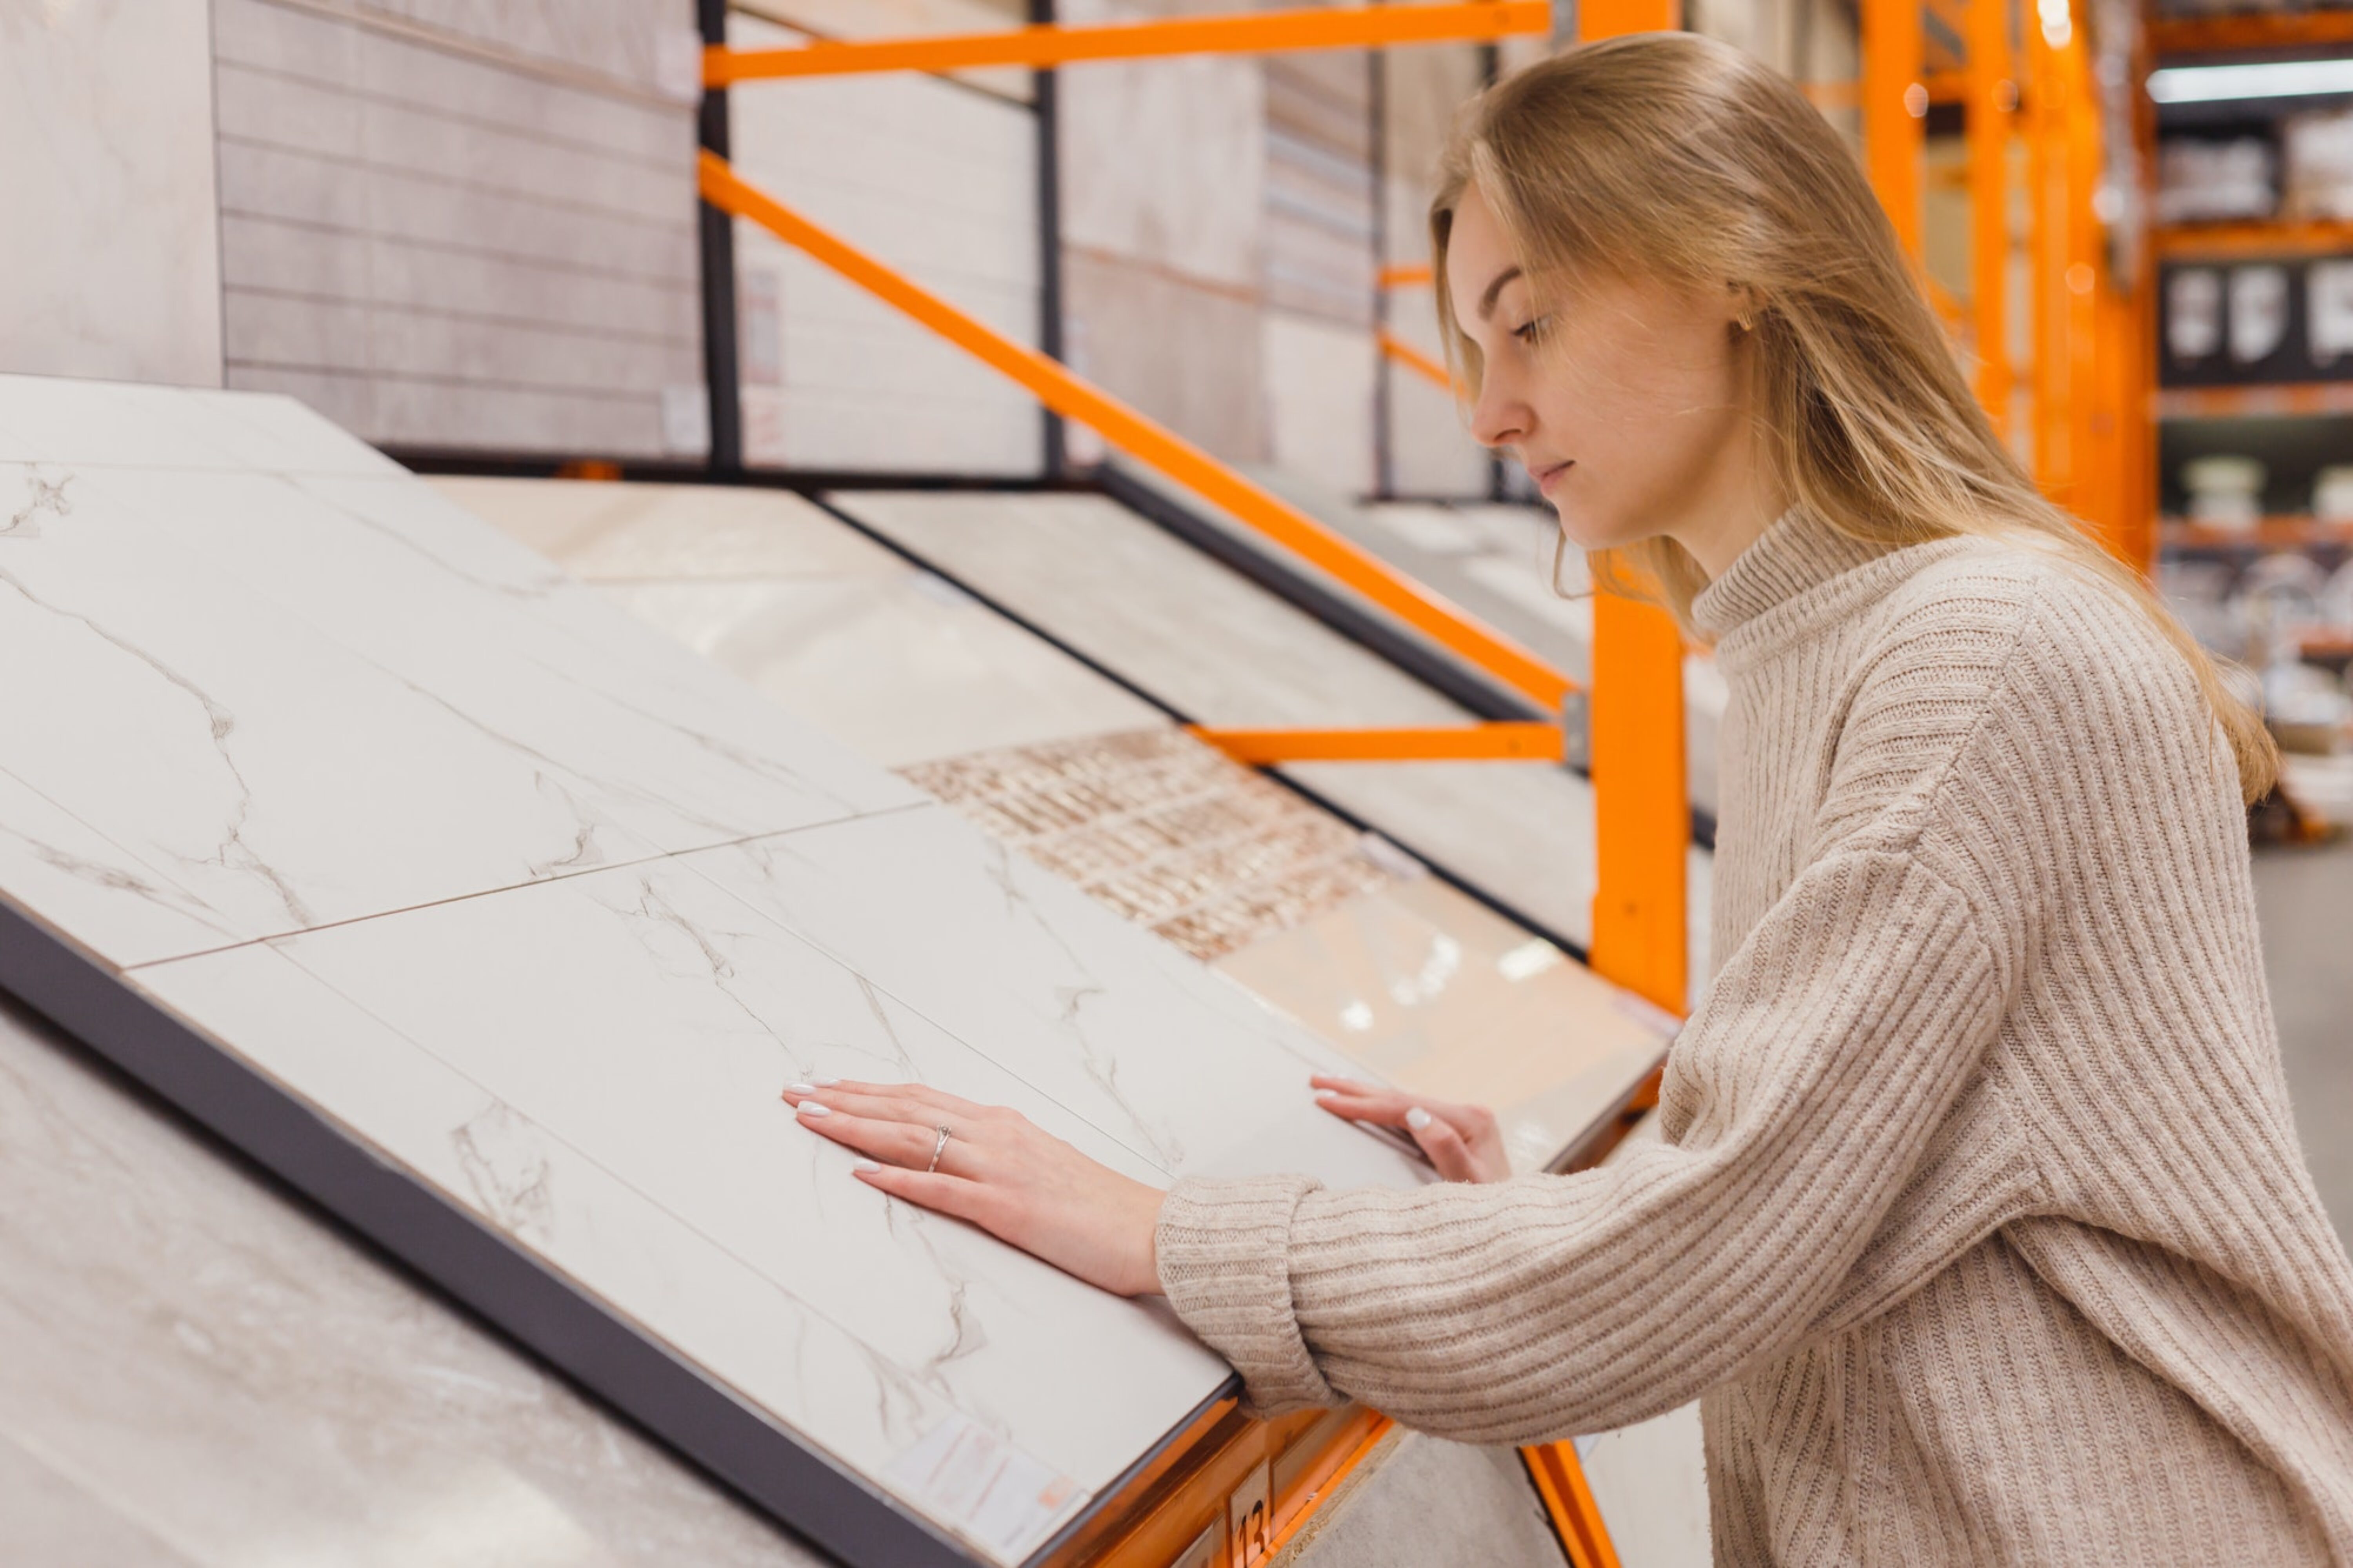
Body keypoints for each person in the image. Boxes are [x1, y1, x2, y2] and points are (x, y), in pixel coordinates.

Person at [781, 33, 2353, 1563]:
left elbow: (1715, 1251)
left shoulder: (1975, 655)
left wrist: (1169, 1237)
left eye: (1528, 325)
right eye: (1473, 346)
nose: (1487, 411)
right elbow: (1843, 1188)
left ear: (1734, 263)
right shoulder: (1830, 644)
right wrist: (1518, 1223)